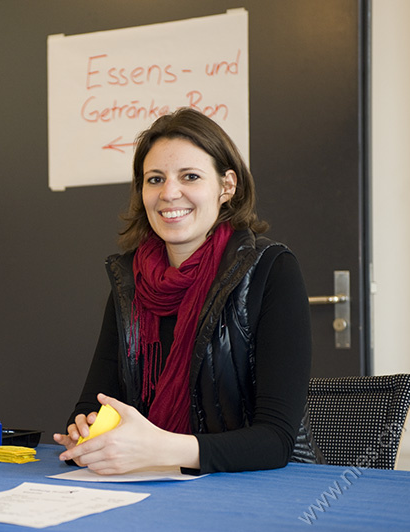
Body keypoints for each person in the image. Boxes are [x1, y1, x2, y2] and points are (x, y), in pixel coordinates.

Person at [54, 108, 320, 474]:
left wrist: (161, 448)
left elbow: (276, 441)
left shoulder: (272, 269)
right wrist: (85, 431)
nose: (169, 193)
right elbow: (94, 402)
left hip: (262, 490)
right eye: (155, 179)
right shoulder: (130, 280)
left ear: (227, 186)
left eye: (190, 176)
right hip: (151, 482)